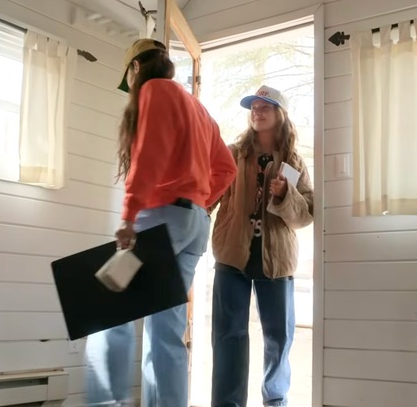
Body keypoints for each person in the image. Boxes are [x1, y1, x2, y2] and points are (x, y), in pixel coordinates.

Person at [85, 38, 237, 407]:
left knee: (108, 314)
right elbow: (227, 169)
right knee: (165, 329)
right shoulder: (198, 108)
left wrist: (129, 215)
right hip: (193, 224)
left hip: (160, 219)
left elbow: (148, 156)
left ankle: (107, 403)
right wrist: (199, 201)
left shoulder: (154, 91)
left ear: (136, 68)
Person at [210, 85, 314, 407]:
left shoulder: (294, 161)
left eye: (264, 106)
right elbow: (210, 192)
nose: (257, 111)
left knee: (279, 339)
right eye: (253, 107)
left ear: (279, 113)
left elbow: (306, 214)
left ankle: (276, 401)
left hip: (277, 261)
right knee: (228, 337)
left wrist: (285, 195)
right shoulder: (232, 153)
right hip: (231, 255)